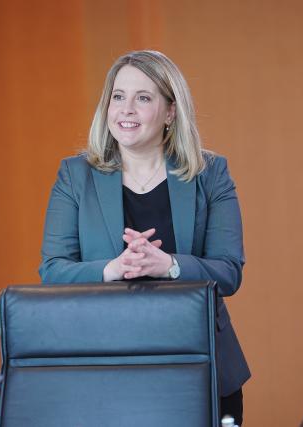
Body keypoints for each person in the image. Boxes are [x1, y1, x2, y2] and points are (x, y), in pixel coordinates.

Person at [39, 50, 250, 423]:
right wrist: (113, 268)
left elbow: (229, 272)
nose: (127, 109)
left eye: (144, 98)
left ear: (170, 111)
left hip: (198, 361)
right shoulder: (75, 177)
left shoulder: (211, 173)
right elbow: (53, 271)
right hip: (104, 364)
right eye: (118, 97)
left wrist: (168, 265)